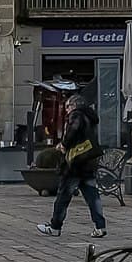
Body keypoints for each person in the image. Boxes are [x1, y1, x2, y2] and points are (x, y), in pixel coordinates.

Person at [38, 95, 107, 238]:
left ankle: (55, 226)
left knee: (63, 195)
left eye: (68, 107)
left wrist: (63, 145)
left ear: (74, 105)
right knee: (92, 196)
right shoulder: (91, 117)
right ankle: (100, 226)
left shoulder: (76, 115)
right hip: (88, 162)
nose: (67, 111)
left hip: (76, 163)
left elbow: (73, 130)